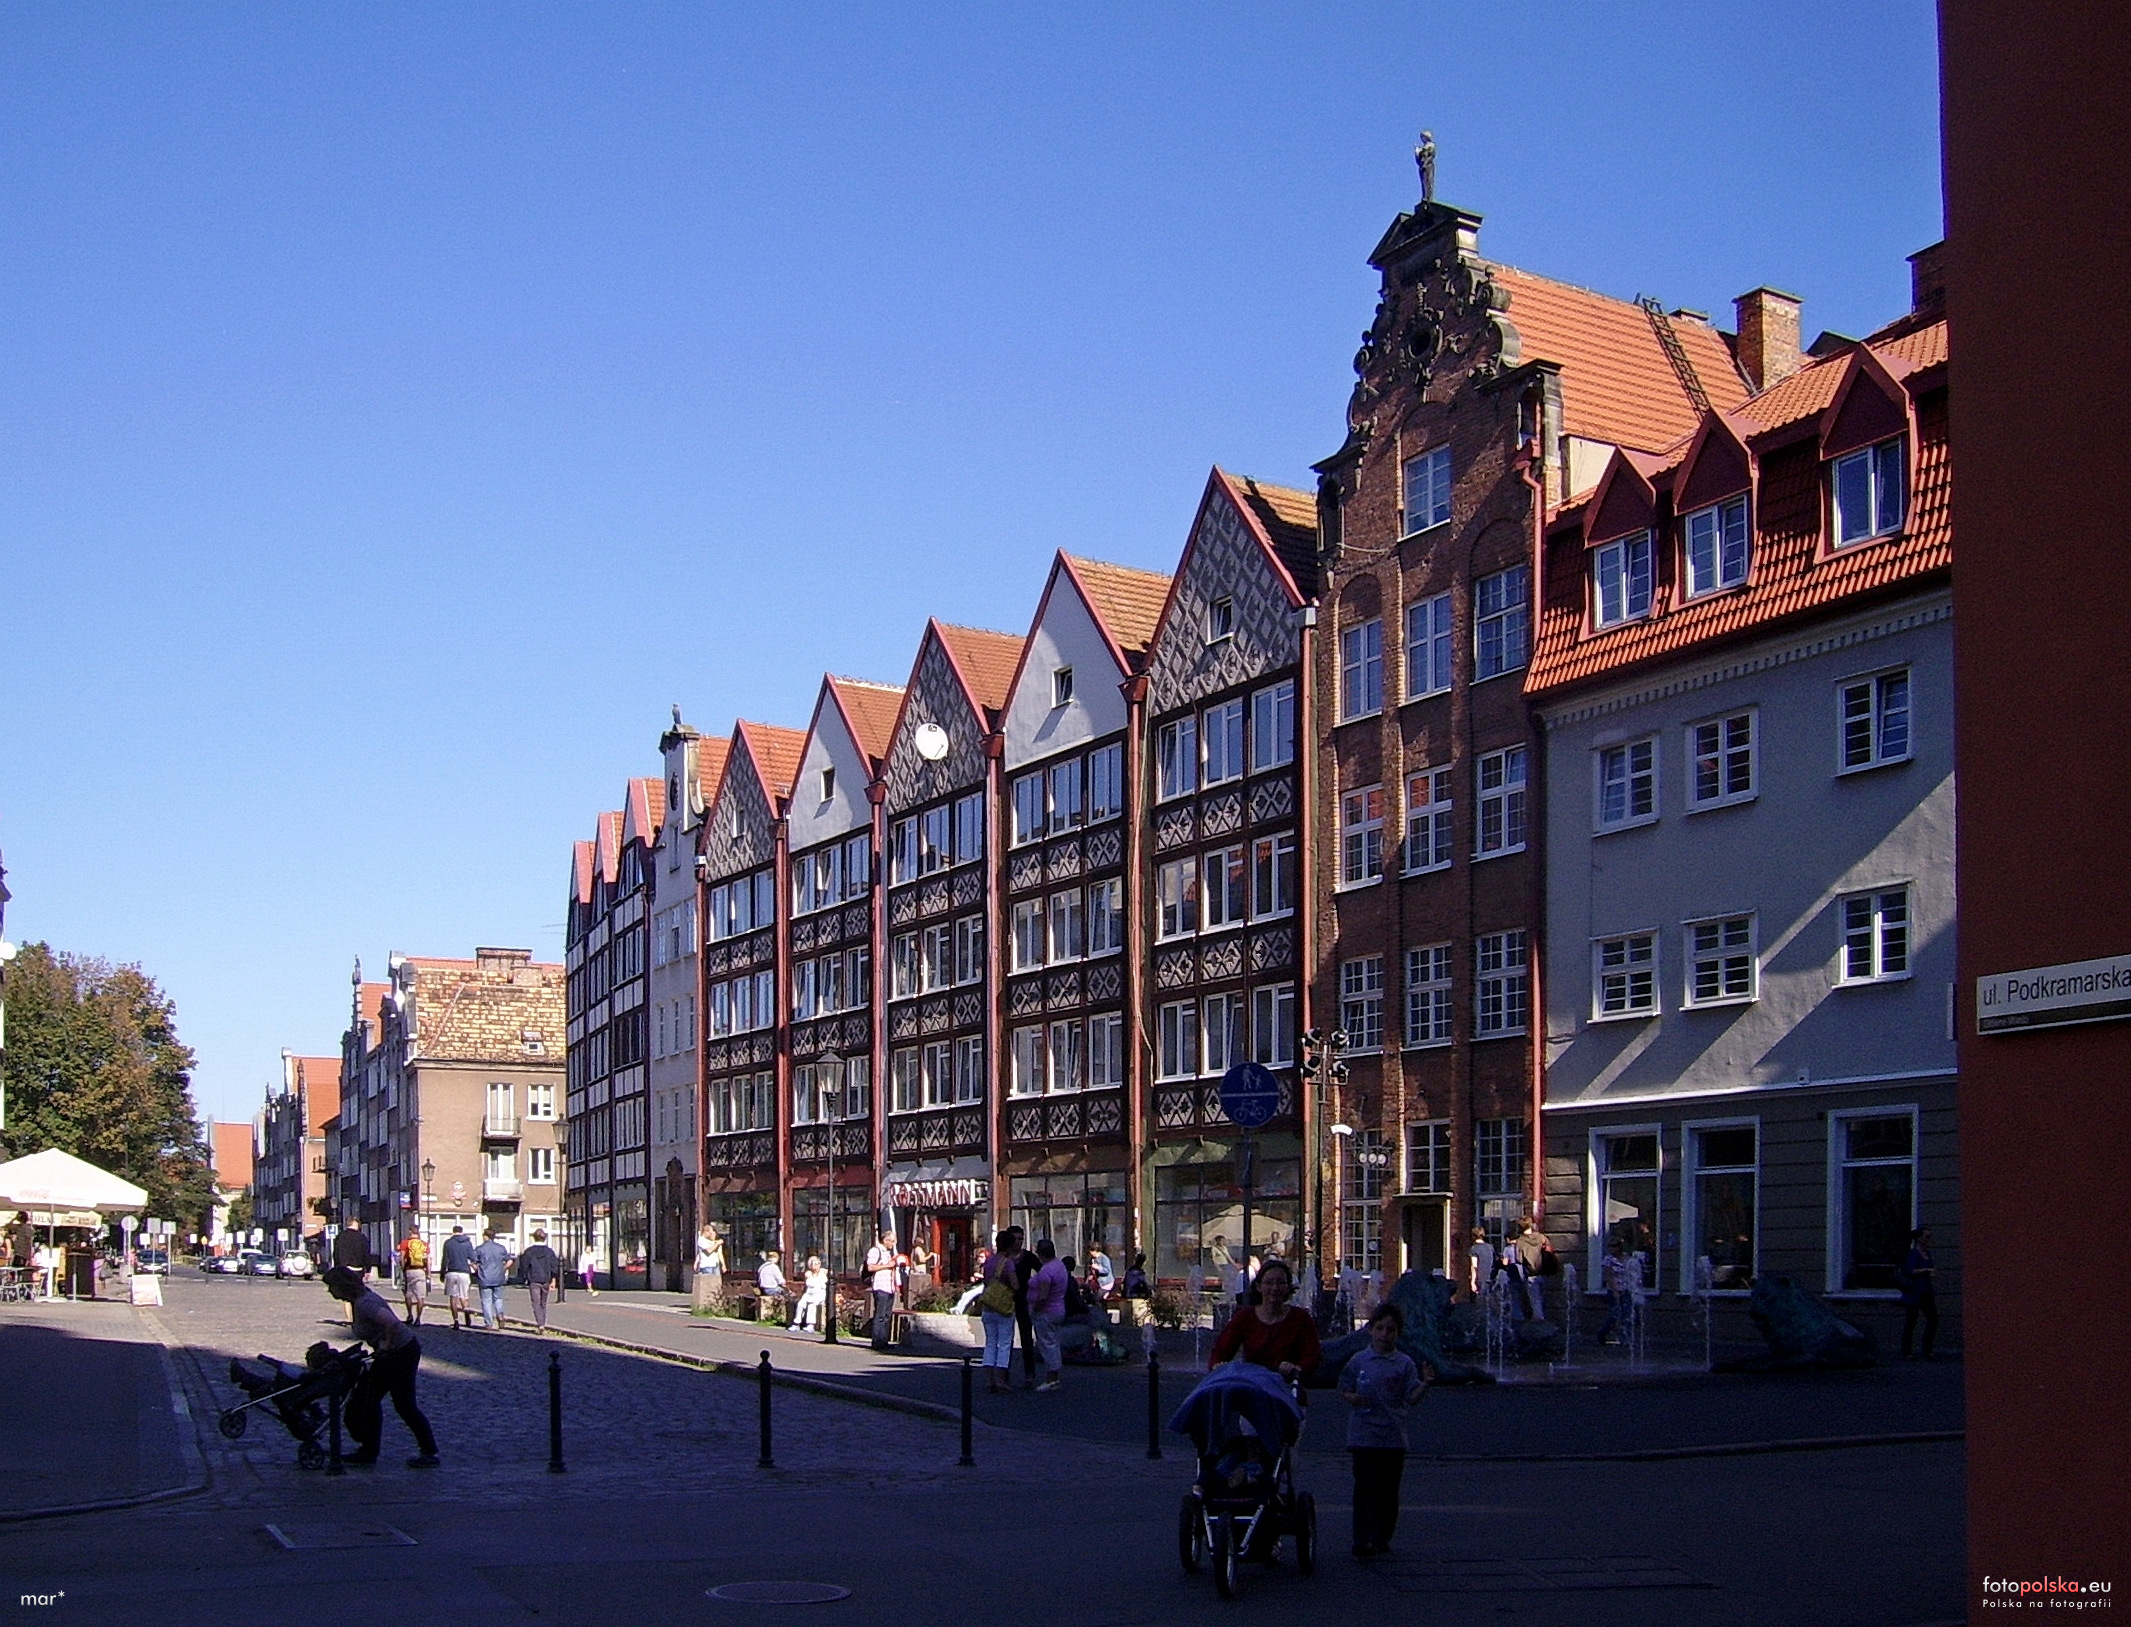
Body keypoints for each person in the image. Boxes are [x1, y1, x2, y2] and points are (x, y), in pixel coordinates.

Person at [322, 1265, 439, 1469]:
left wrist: (385, 1344)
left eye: (331, 1286)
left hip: (400, 1354)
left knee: (401, 1404)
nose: (330, 1291)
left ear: (342, 1286)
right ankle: (369, 1450)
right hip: (393, 1354)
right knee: (369, 1399)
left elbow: (392, 1323)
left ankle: (428, 1451)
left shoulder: (364, 1303)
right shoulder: (358, 1300)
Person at [1337, 1304, 1429, 1558]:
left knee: (1388, 1491)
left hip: (1392, 1437)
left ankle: (1382, 1536)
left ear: (1398, 1333)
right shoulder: (1359, 1360)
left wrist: (1426, 1384)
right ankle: (1362, 1538)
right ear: (1370, 1330)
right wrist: (1351, 1397)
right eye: (1379, 1328)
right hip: (1363, 1435)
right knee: (1364, 1488)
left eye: (1390, 1330)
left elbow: (1411, 1397)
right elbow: (1344, 1387)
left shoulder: (1404, 1363)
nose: (1384, 1335)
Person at [1208, 1258, 1321, 1382]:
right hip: (1254, 1385)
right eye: (1269, 1282)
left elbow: (1312, 1356)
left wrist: (1297, 1368)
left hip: (1286, 1385)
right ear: (1258, 1286)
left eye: (1280, 1283)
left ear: (1288, 1287)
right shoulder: (1245, 1317)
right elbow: (1220, 1351)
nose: (1275, 1288)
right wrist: (1218, 1366)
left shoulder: (1300, 1318)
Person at [976, 1231, 1020, 1392]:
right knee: (1004, 1343)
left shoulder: (989, 1261)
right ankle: (1001, 1379)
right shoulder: (1007, 1263)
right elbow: (1015, 1285)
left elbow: (986, 1282)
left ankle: (990, 1379)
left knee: (990, 1342)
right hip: (1003, 1307)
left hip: (988, 1305)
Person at [1026, 1238, 1069, 1393]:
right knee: (1053, 1342)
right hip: (1058, 1308)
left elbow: (1043, 1296)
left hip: (1046, 1311)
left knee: (1047, 1344)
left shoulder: (1046, 1271)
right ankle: (1054, 1375)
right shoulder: (1059, 1265)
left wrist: (1035, 1310)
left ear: (1040, 1253)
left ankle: (1052, 1377)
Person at [1899, 1226, 1938, 1358]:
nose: (1929, 1240)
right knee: (1911, 1320)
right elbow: (1910, 1271)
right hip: (1914, 1291)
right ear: (1919, 1238)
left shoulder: (1927, 1253)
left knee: (1933, 1320)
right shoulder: (1914, 1254)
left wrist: (1930, 1272)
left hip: (1926, 1290)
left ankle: (1927, 1349)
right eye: (1927, 1237)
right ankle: (1906, 1351)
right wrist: (1926, 1270)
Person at [518, 1229, 562, 1333]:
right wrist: (553, 1280)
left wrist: (524, 1277)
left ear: (534, 1237)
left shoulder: (529, 1252)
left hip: (534, 1280)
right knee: (543, 1302)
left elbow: (524, 1266)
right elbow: (554, 1267)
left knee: (536, 1303)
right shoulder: (549, 1252)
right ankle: (542, 1322)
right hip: (546, 1279)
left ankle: (540, 1324)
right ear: (545, 1238)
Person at [471, 1229, 512, 1330]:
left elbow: (473, 1262)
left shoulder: (479, 1249)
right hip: (498, 1277)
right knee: (498, 1299)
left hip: (484, 1278)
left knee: (486, 1301)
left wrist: (477, 1271)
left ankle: (489, 1323)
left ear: (485, 1236)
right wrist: (503, 1269)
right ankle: (500, 1315)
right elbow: (510, 1261)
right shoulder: (501, 1248)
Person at [1597, 1235, 1634, 1346]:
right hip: (1614, 1291)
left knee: (1627, 1314)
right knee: (1615, 1314)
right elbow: (1609, 1276)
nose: (1612, 1248)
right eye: (1610, 1246)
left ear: (1619, 1247)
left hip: (1626, 1290)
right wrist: (1614, 1291)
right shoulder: (1608, 1260)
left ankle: (1624, 1338)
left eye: (1614, 1246)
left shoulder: (1626, 1258)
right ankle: (1602, 1333)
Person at [866, 1231, 899, 1350]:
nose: (893, 1244)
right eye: (892, 1241)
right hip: (880, 1286)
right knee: (879, 1315)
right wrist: (887, 1265)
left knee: (886, 1315)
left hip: (889, 1287)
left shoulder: (888, 1253)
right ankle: (877, 1341)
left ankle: (884, 1340)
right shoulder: (876, 1251)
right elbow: (870, 1267)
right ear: (885, 1240)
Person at [1512, 1217, 1550, 1322]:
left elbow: (1518, 1259)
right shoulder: (1541, 1237)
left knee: (1535, 1300)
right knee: (1543, 1299)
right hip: (1543, 1271)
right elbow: (1549, 1249)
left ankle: (1539, 1323)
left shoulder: (1520, 1241)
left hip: (1530, 1274)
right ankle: (1544, 1320)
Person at [440, 1225, 475, 1330]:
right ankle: (467, 1315)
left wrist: (442, 1273)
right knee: (464, 1296)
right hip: (464, 1272)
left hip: (451, 1271)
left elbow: (445, 1260)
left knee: (453, 1297)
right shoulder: (467, 1243)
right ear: (462, 1231)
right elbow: (472, 1257)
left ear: (453, 1231)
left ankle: (456, 1321)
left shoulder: (448, 1243)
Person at [396, 1229, 430, 1326]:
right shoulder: (424, 1244)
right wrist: (428, 1273)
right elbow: (428, 1260)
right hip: (421, 1271)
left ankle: (410, 1315)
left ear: (410, 1233)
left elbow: (402, 1258)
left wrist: (403, 1269)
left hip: (409, 1270)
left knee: (408, 1295)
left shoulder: (405, 1243)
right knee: (420, 1297)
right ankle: (418, 1319)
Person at [791, 1255, 829, 1334]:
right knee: (800, 1304)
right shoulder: (808, 1274)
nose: (816, 1266)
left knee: (812, 1305)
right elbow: (806, 1286)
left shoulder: (823, 1272)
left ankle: (810, 1325)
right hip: (809, 1294)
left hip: (819, 1294)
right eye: (814, 1264)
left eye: (818, 1263)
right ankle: (796, 1323)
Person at [695, 1225, 726, 1304]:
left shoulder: (712, 1241)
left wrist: (723, 1265)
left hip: (715, 1264)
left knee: (717, 1285)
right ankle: (707, 1302)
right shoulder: (702, 1240)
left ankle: (717, 1302)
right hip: (707, 1265)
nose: (712, 1234)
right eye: (711, 1232)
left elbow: (720, 1254)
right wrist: (717, 1243)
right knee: (708, 1285)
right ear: (706, 1232)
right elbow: (709, 1251)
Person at [756, 1249, 788, 1322]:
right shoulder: (774, 1267)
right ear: (775, 1258)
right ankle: (782, 1314)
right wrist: (785, 1284)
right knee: (786, 1293)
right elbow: (781, 1280)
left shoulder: (762, 1266)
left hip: (762, 1289)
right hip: (771, 1289)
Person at [1466, 1227, 1495, 1303]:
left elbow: (1474, 1266)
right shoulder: (1490, 1247)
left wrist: (1473, 1282)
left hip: (1480, 1278)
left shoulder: (1474, 1249)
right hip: (1490, 1278)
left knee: (1481, 1303)